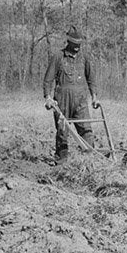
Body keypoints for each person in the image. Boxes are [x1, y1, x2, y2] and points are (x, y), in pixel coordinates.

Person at [43, 25, 100, 164]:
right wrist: (48, 97)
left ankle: (89, 160)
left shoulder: (84, 58)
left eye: (79, 44)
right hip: (62, 99)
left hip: (80, 98)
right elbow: (48, 80)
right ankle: (61, 161)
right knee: (62, 130)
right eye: (74, 44)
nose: (76, 47)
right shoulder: (58, 56)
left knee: (86, 128)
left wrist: (94, 97)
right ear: (68, 42)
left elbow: (91, 78)